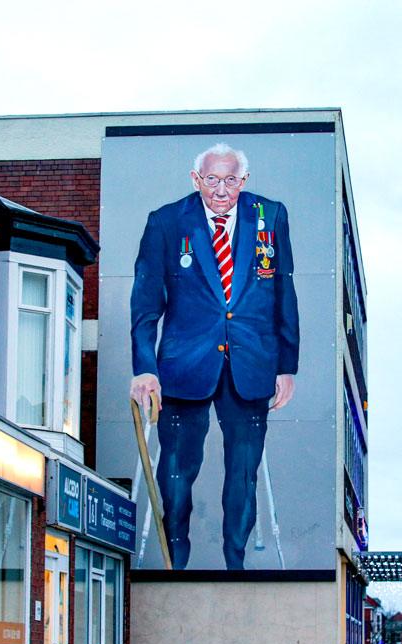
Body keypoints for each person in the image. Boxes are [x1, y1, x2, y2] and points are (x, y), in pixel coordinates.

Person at [129, 143, 299, 570]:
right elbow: (146, 301)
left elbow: (284, 292)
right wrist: (145, 368)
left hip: (252, 364)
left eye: (230, 180)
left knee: (243, 472)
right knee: (176, 471)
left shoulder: (270, 216)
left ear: (243, 181)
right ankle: (176, 559)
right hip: (184, 366)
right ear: (195, 179)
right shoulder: (166, 222)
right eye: (211, 180)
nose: (220, 190)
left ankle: (235, 564)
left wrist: (286, 365)